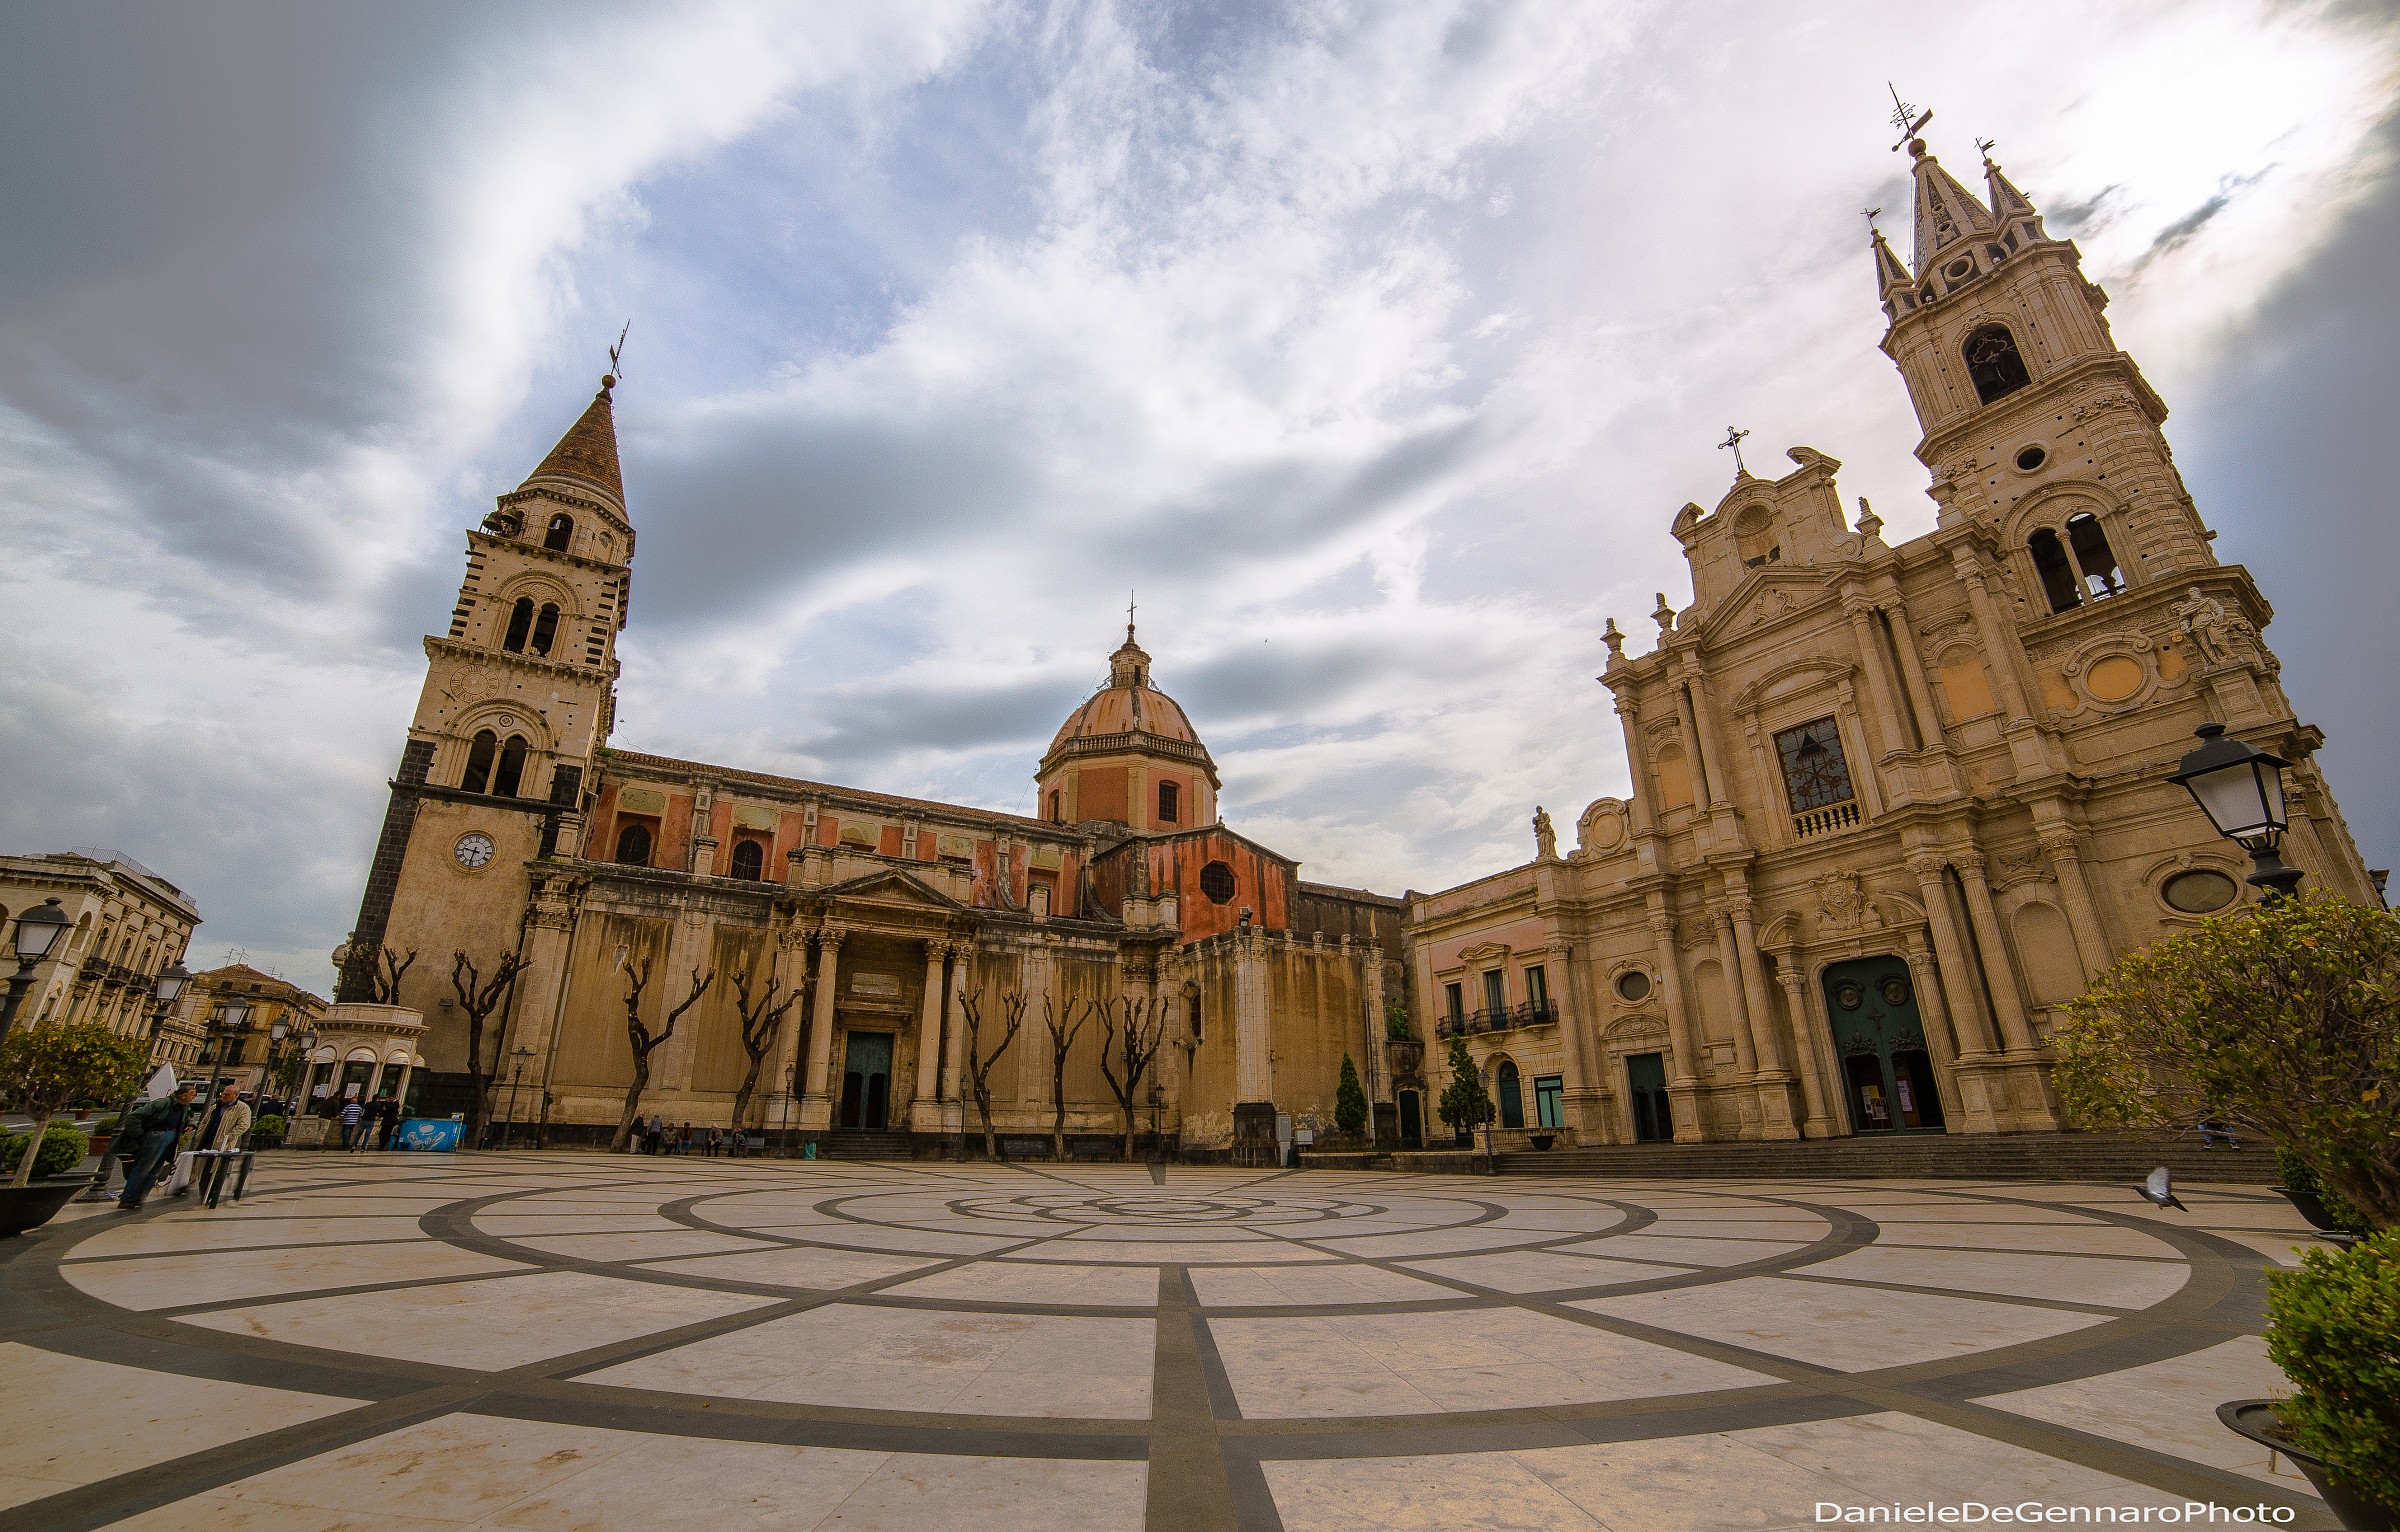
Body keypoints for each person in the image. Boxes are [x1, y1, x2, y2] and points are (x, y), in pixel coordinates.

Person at [116, 1084, 197, 1210]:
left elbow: (189, 1116)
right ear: (184, 1096)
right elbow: (134, 1116)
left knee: (155, 1171)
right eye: (193, 1095)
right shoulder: (163, 1103)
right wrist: (139, 1134)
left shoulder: (184, 1107)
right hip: (156, 1136)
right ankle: (128, 1199)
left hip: (170, 1136)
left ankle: (140, 1198)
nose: (194, 1098)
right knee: (143, 1168)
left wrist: (190, 1124)